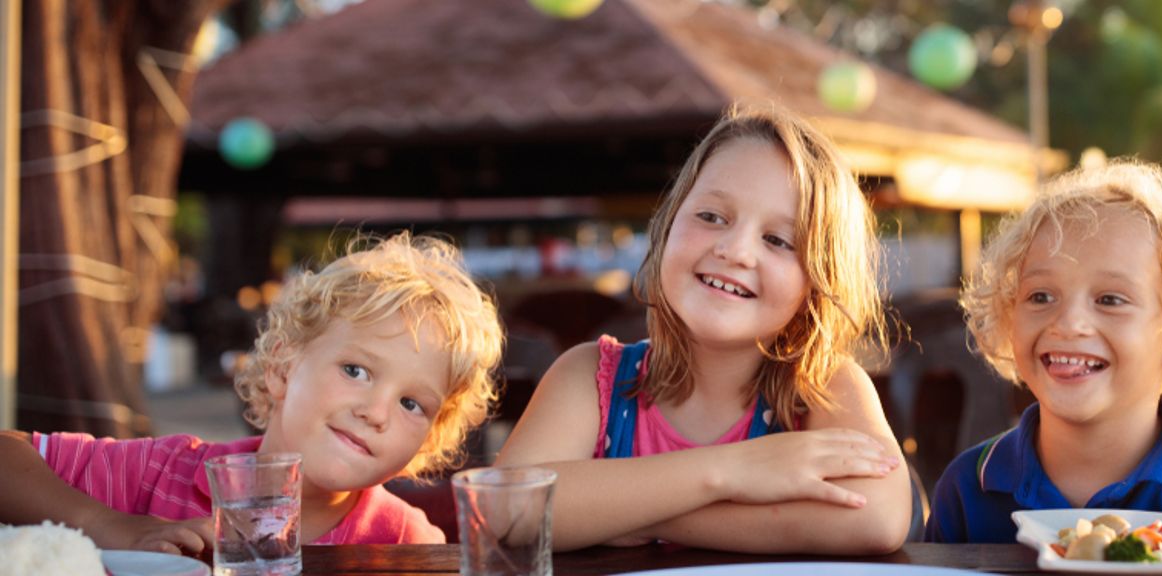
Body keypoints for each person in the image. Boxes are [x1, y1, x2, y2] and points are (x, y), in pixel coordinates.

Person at [497, 106, 910, 555]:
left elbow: (878, 517)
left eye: (777, 240)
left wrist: (637, 513)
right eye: (712, 217)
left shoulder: (821, 389)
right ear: (667, 224)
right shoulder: (590, 376)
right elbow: (508, 508)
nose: (735, 251)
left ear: (818, 281)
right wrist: (732, 470)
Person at [0, 232, 504, 554]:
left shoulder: (404, 543)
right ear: (283, 367)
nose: (376, 412)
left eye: (411, 404)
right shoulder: (163, 475)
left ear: (428, 439)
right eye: (355, 370)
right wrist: (109, 526)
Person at [925, 160, 1162, 543]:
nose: (1068, 323)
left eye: (1110, 299)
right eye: (1041, 296)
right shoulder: (967, 486)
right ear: (1010, 320)